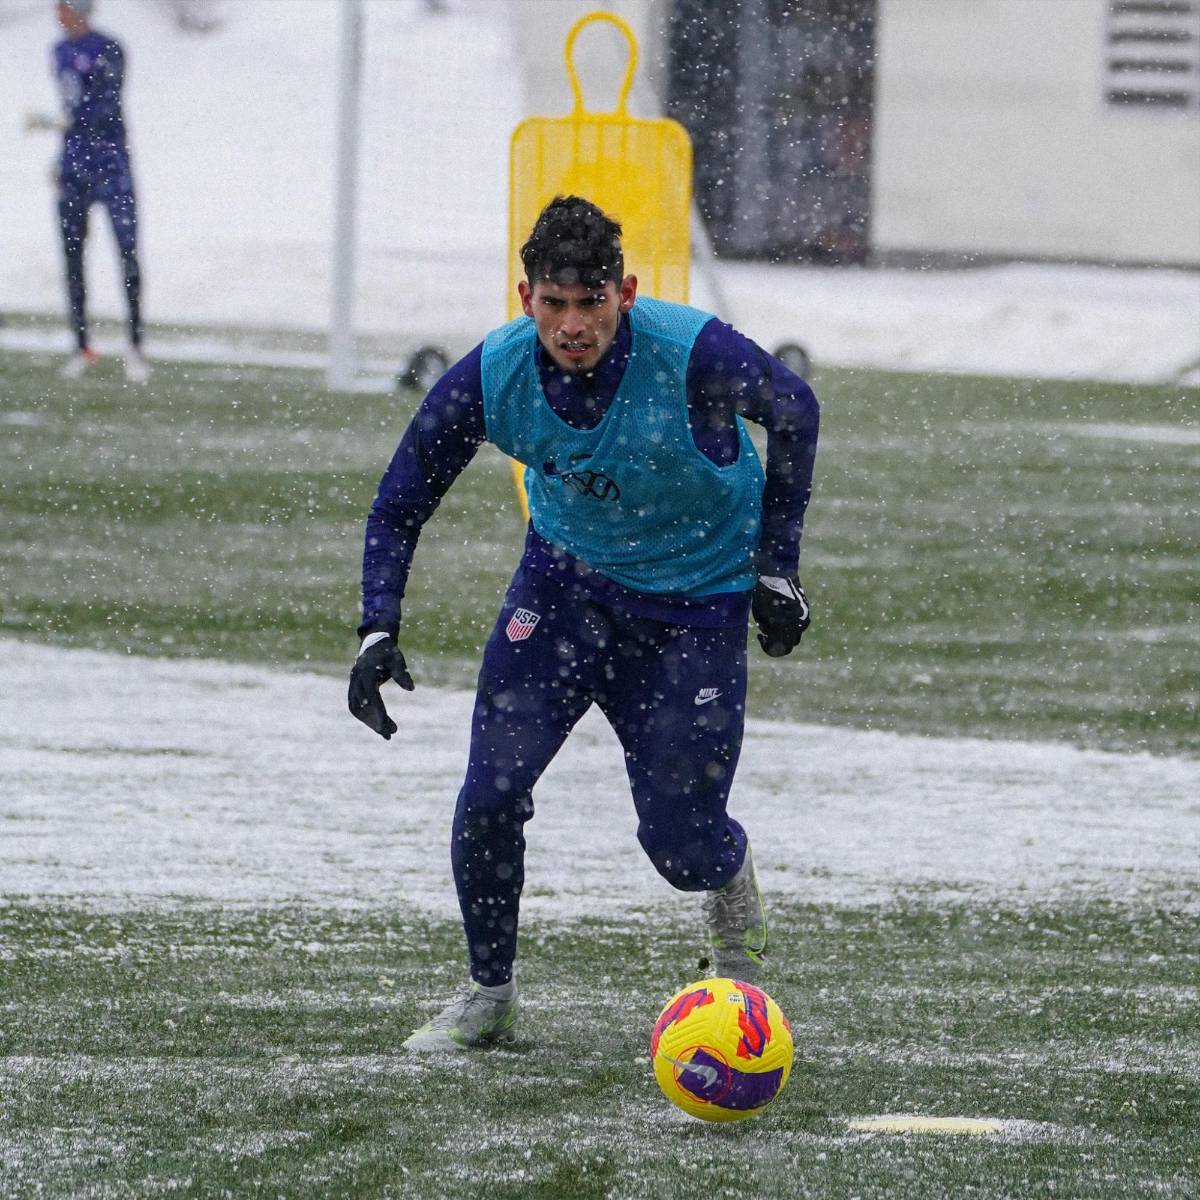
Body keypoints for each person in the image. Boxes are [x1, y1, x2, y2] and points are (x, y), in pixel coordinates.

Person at [349, 196, 819, 1052]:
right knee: (490, 795)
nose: (573, 325)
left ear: (625, 292)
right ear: (525, 295)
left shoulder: (693, 354)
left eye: (591, 301)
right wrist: (376, 627)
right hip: (563, 595)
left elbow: (795, 409)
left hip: (694, 610)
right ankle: (489, 996)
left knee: (679, 844)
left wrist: (775, 567)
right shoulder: (495, 373)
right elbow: (400, 499)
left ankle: (730, 902)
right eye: (554, 303)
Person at [48, 0, 148, 382]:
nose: (59, 15)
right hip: (73, 165)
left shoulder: (109, 48)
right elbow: (69, 106)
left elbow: (104, 104)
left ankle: (135, 344)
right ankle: (81, 345)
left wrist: (71, 121)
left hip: (111, 164)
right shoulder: (57, 51)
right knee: (72, 254)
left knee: (127, 251)